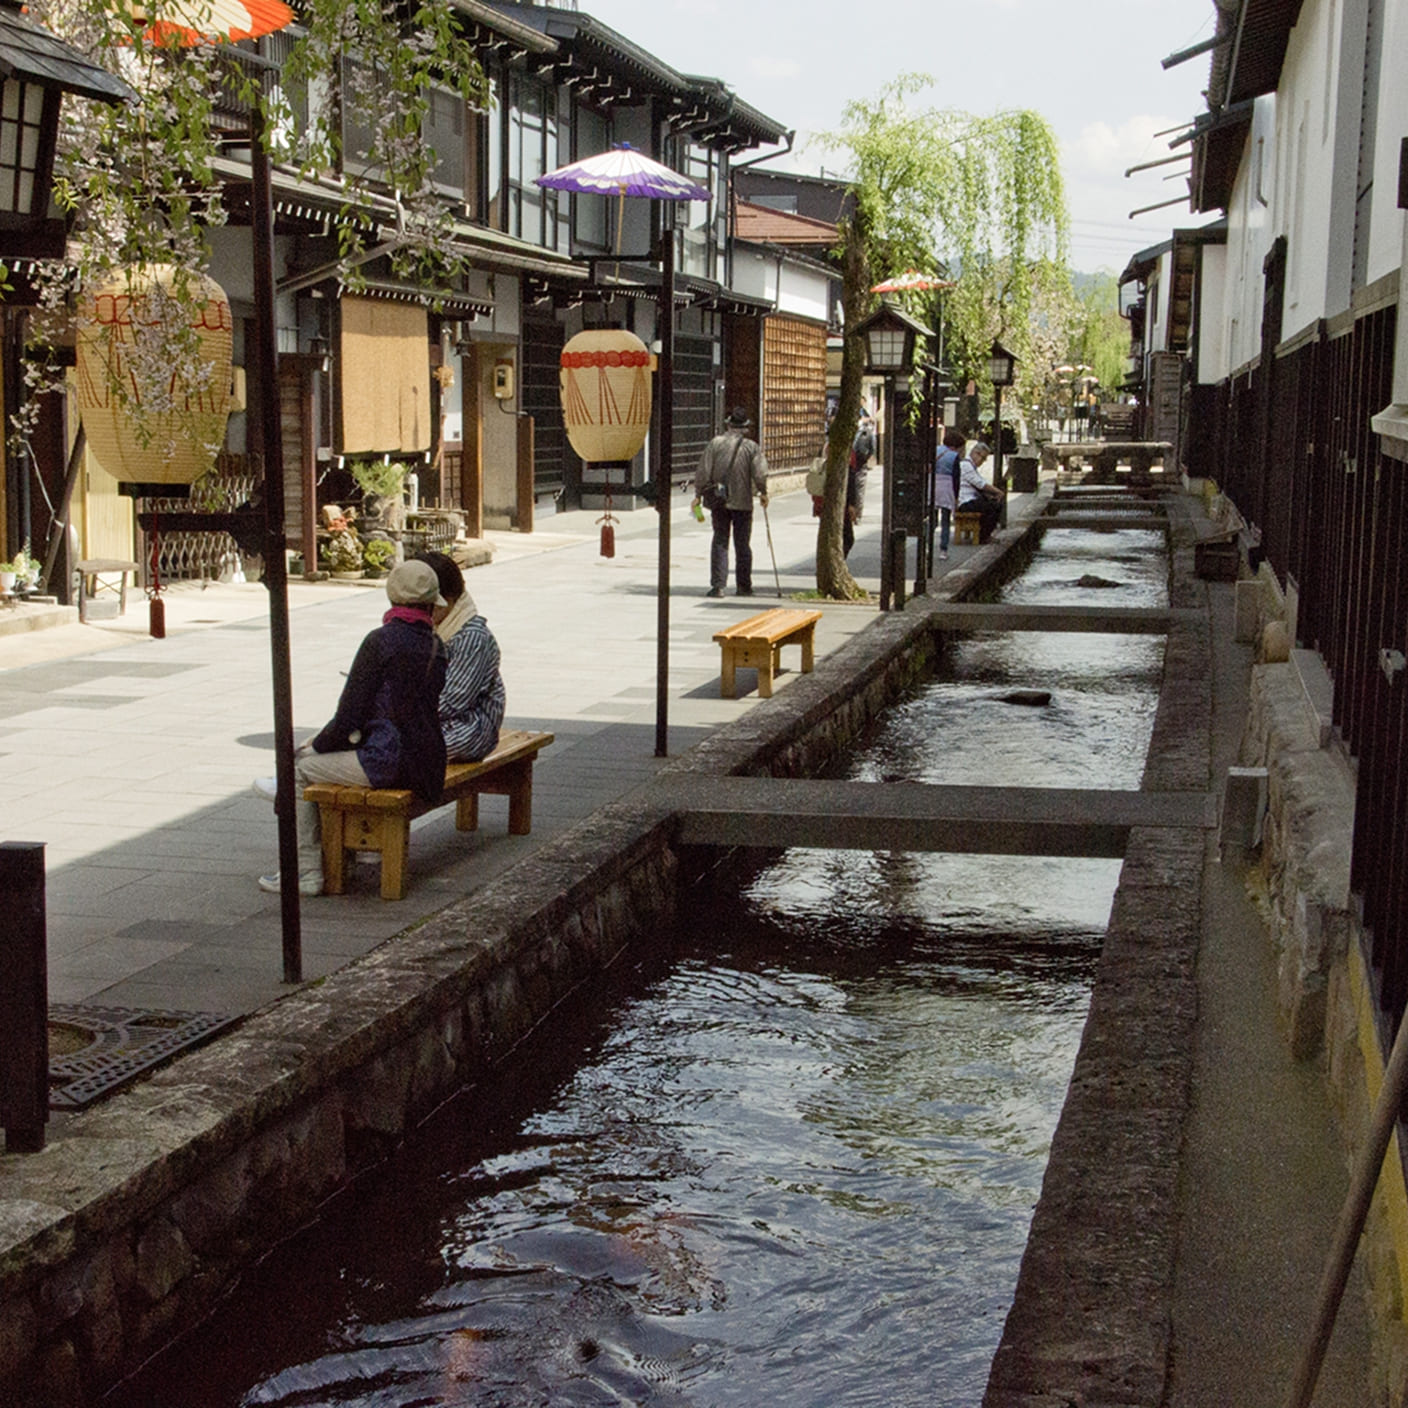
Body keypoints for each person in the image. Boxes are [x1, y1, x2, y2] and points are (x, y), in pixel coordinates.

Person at [253, 559, 449, 895]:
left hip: (388, 761)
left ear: (392, 600)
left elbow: (349, 716)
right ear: (432, 604)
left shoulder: (380, 642)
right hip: (428, 763)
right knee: (325, 761)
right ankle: (355, 853)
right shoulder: (437, 646)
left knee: (298, 769)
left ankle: (307, 872)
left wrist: (314, 746)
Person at [415, 550, 505, 762]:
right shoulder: (429, 626)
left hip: (470, 727)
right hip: (426, 718)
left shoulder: (472, 637)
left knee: (405, 749)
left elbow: (451, 701)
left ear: (449, 599)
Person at [693, 405, 769, 597]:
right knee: (742, 544)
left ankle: (718, 586)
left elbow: (703, 471)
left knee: (720, 540)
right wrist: (763, 491)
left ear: (728, 425)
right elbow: (760, 473)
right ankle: (744, 586)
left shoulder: (715, 444)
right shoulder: (752, 448)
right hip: (743, 502)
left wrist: (698, 493)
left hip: (719, 501)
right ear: (745, 427)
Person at [957, 440, 1004, 544]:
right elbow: (980, 484)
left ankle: (984, 534)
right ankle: (983, 536)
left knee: (993, 504)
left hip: (970, 500)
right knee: (994, 507)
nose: (982, 461)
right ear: (975, 453)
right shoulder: (966, 465)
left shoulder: (971, 466)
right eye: (982, 458)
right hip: (966, 502)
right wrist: (998, 492)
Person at [843, 409, 875, 559]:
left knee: (860, 489)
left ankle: (858, 514)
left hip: (860, 466)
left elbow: (872, 449)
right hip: (840, 499)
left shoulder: (866, 433)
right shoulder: (839, 442)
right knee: (847, 537)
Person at [932, 427, 965, 561]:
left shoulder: (935, 450)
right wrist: (956, 496)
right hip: (947, 486)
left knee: (931, 518)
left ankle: (927, 545)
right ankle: (943, 550)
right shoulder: (954, 456)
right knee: (945, 520)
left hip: (933, 484)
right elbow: (956, 478)